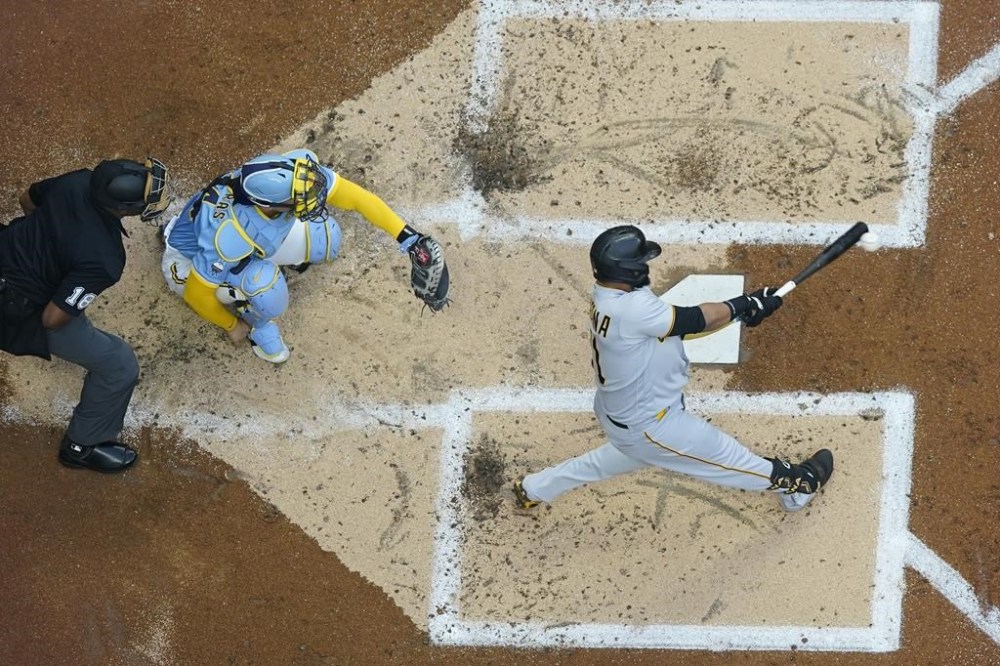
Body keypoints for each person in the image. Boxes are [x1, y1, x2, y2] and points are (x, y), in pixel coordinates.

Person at [513, 225, 833, 513]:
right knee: (730, 460)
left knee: (609, 461)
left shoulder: (609, 297)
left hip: (622, 416)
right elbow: (694, 320)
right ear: (629, 268)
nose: (645, 265)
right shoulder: (633, 308)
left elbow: (681, 328)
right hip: (653, 426)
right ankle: (799, 485)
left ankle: (534, 489)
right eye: (641, 260)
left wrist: (743, 310)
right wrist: (745, 305)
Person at [160, 148, 449, 364]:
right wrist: (233, 326)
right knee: (268, 288)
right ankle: (258, 326)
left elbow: (356, 198)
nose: (314, 195)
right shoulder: (228, 237)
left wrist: (408, 237)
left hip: (251, 241)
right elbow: (197, 295)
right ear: (269, 205)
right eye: (300, 199)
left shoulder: (294, 171)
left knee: (327, 238)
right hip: (189, 262)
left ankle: (258, 273)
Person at [0, 157, 171, 472]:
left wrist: (51, 241)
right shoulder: (105, 258)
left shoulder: (77, 181)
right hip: (16, 309)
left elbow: (28, 199)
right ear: (123, 209)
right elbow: (52, 318)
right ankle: (81, 447)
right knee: (119, 365)